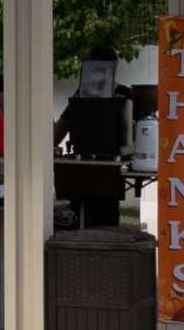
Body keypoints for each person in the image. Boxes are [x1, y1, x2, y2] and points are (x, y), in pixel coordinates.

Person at [56, 56, 133, 229]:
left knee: (105, 222)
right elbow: (61, 128)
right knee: (83, 221)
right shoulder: (81, 95)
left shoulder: (125, 95)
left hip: (110, 169)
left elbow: (59, 130)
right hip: (83, 169)